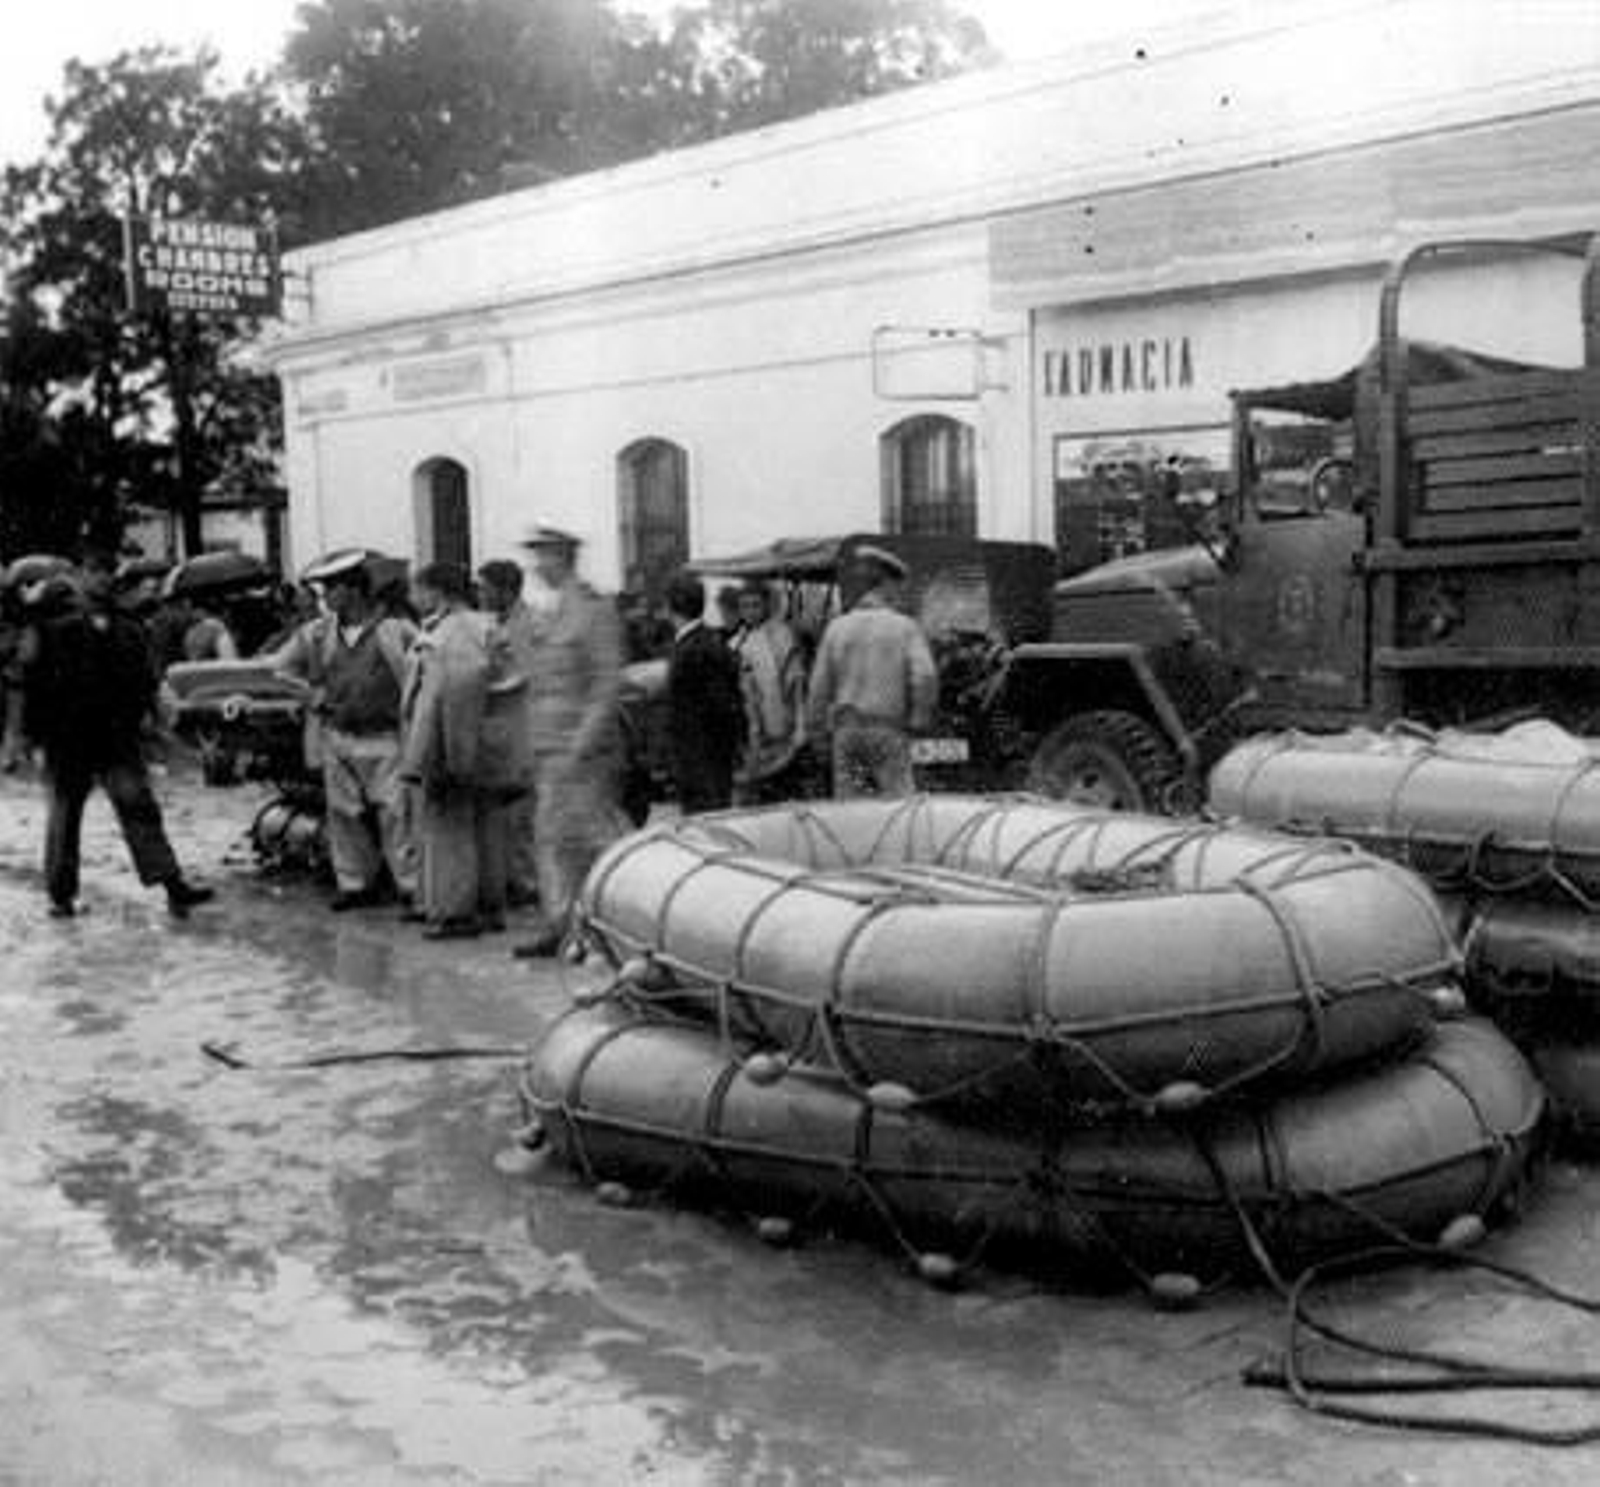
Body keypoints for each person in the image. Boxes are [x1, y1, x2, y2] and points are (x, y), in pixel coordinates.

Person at [20, 551, 214, 919]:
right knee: (64, 815)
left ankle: (172, 884)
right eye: (95, 571)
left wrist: (152, 722)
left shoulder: (127, 626)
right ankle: (61, 895)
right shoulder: (53, 625)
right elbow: (35, 685)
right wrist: (32, 737)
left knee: (139, 805)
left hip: (115, 735)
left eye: (108, 572)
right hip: (68, 736)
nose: (102, 580)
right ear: (80, 574)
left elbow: (143, 679)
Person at [271, 552, 417, 911]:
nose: (325, 597)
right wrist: (312, 696)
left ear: (353, 590)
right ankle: (355, 885)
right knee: (343, 813)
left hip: (386, 735)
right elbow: (280, 669)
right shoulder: (318, 633)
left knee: (396, 814)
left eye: (331, 588)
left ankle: (411, 887)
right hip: (339, 735)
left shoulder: (397, 630)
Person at [511, 526, 624, 959]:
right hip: (549, 749)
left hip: (581, 753)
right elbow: (536, 687)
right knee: (554, 841)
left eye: (543, 556)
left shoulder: (593, 610)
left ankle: (613, 924)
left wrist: (582, 744)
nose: (536, 565)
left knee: (594, 840)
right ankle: (561, 925)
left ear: (562, 557)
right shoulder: (547, 612)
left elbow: (605, 685)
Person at [400, 562, 522, 939]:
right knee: (485, 828)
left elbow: (457, 696)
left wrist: (451, 758)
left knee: (449, 830)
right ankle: (488, 906)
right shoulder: (478, 625)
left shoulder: (453, 632)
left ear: (435, 591)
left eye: (416, 589)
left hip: (452, 744)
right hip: (485, 744)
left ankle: (454, 912)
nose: (411, 597)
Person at [806, 545, 938, 799]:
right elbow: (925, 676)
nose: (901, 593)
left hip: (846, 733)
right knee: (897, 809)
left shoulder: (837, 628)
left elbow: (818, 688)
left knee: (852, 809)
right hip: (887, 732)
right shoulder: (904, 628)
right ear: (887, 584)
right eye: (898, 586)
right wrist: (919, 718)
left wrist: (817, 735)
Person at [477, 559, 542, 906]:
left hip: (522, 728)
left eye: (485, 588)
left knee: (522, 816)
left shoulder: (526, 625)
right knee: (506, 815)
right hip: (502, 731)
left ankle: (529, 884)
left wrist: (480, 673)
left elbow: (517, 676)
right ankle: (515, 880)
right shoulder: (498, 624)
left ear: (505, 590)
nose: (481, 594)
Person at [663, 570, 745, 814]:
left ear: (670, 607)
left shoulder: (689, 649)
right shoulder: (711, 640)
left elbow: (712, 707)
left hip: (698, 761)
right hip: (713, 758)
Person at [731, 579, 808, 803]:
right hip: (753, 736)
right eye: (745, 606)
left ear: (766, 606)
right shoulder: (736, 643)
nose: (750, 612)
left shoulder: (783, 637)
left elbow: (796, 684)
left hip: (782, 730)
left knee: (784, 794)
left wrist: (801, 725)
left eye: (755, 605)